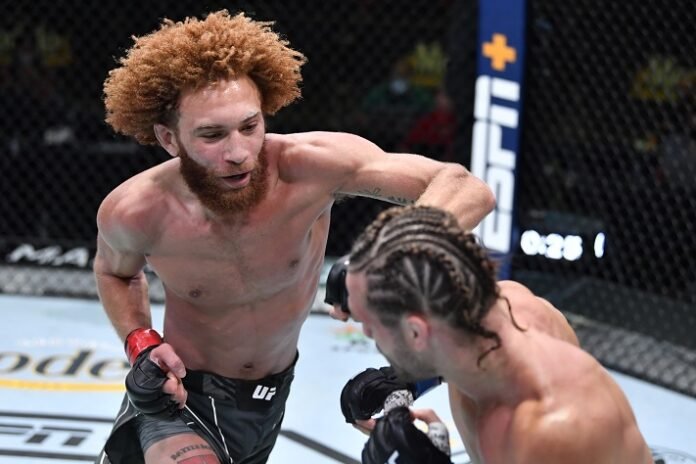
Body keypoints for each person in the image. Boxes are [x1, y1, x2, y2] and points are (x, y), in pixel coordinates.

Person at [92, 10, 495, 464]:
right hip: (183, 399)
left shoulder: (311, 166)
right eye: (212, 135)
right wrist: (140, 342)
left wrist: (389, 254)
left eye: (250, 126)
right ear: (169, 139)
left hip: (270, 400)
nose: (238, 152)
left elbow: (466, 188)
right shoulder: (137, 209)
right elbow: (114, 271)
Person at [332, 205, 653, 464]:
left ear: (417, 332)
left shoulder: (549, 432)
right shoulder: (496, 311)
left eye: (372, 324)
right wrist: (414, 379)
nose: (367, 332)